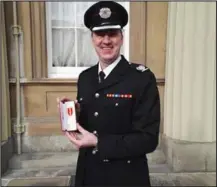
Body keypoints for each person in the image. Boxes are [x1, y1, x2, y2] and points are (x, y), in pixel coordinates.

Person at [58, 1, 160, 186]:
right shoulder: (85, 78)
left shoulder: (142, 78)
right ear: (92, 38)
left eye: (112, 33)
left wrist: (98, 142)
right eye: (99, 34)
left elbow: (148, 139)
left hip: (125, 177)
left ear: (121, 37)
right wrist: (75, 114)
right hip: (88, 174)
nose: (106, 41)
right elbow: (90, 125)